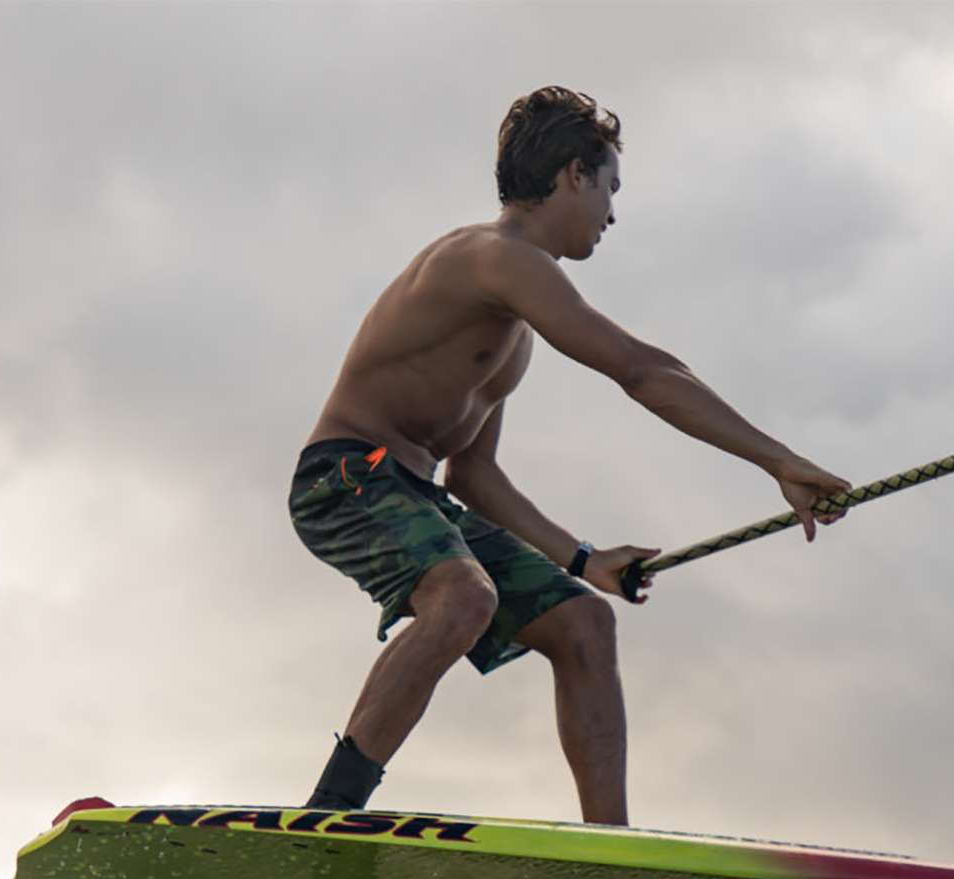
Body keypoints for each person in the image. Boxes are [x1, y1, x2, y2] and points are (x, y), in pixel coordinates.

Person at [292, 86, 850, 826]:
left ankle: (608, 851)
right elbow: (643, 370)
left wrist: (581, 560)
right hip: (344, 478)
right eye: (610, 187)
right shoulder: (495, 259)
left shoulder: (511, 326)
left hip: (415, 493)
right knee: (463, 597)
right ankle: (329, 813)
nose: (612, 213)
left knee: (585, 624)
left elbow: (474, 475)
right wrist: (779, 461)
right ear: (573, 175)